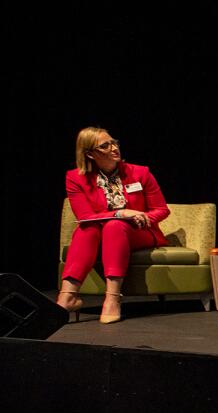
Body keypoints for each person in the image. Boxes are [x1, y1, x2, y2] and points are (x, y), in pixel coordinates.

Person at [57, 127, 170, 324]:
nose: (114, 148)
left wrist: (143, 217)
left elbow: (161, 209)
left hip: (140, 231)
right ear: (90, 153)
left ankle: (112, 298)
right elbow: (85, 216)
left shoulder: (140, 172)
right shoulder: (75, 178)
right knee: (87, 229)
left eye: (114, 142)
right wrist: (120, 213)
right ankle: (68, 295)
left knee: (114, 227)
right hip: (99, 233)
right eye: (105, 145)